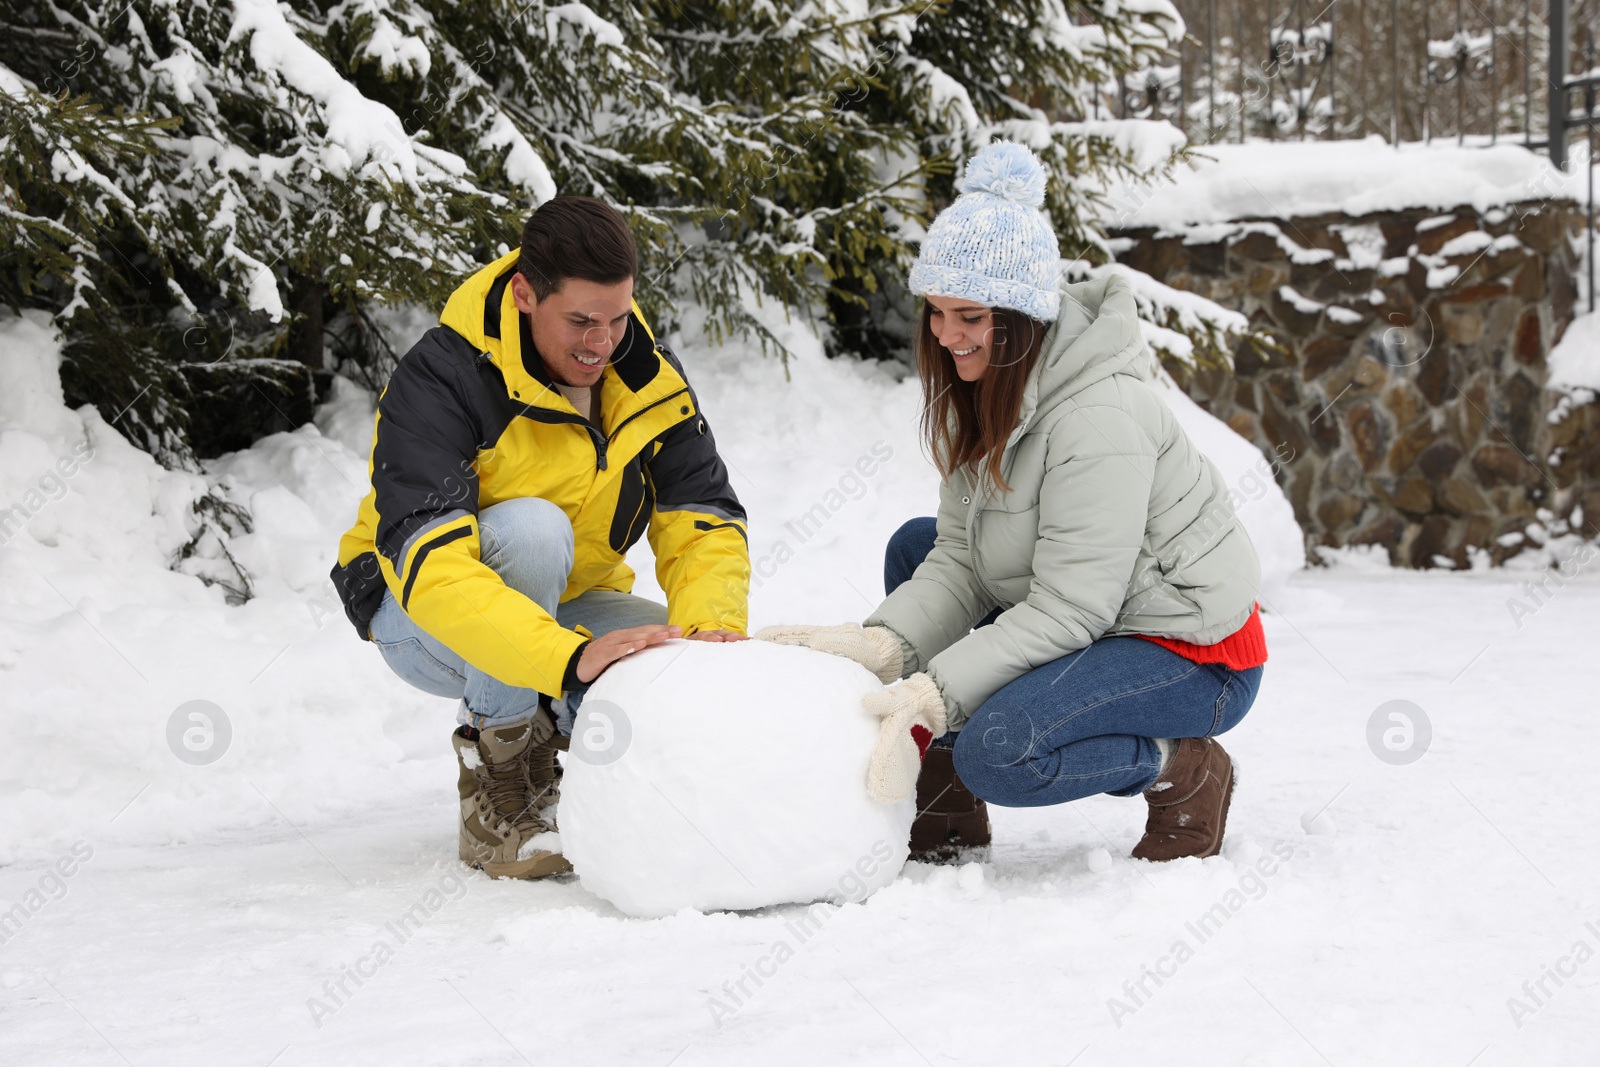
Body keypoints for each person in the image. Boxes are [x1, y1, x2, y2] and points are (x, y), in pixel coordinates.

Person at [759, 142, 1266, 863]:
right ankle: (948, 798)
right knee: (916, 545)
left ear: (1021, 316)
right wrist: (885, 646)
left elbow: (1072, 606)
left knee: (999, 750)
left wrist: (935, 694)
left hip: (1188, 650)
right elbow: (962, 556)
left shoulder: (1099, 417)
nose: (945, 335)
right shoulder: (994, 391)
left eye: (967, 315)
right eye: (935, 313)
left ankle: (1182, 765)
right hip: (1102, 615)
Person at [331, 196, 751, 880]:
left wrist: (712, 628)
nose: (601, 343)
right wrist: (565, 661)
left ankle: (605, 772)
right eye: (581, 321)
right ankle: (501, 776)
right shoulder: (444, 378)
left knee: (677, 661)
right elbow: (435, 572)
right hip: (415, 613)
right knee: (532, 530)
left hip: (567, 604)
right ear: (526, 293)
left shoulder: (643, 371)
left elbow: (701, 513)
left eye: (617, 318)